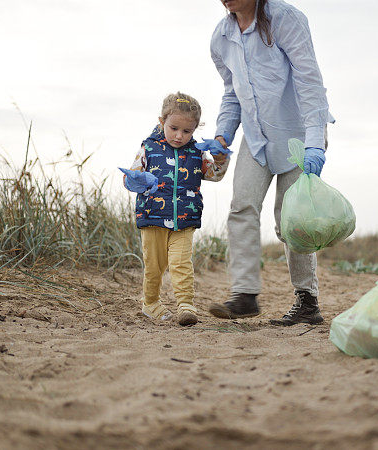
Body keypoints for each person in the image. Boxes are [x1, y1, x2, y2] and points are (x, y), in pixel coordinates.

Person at [206, 0, 334, 325]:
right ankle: (245, 295)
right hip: (256, 134)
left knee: (292, 220)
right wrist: (223, 135)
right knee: (241, 207)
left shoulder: (285, 19)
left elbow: (309, 81)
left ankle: (307, 301)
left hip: (298, 132)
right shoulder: (221, 37)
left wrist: (315, 143)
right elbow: (232, 93)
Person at [121, 92, 230, 326]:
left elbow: (215, 175)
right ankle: (150, 303)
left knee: (182, 263)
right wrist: (136, 180)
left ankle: (185, 305)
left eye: (187, 131)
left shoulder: (197, 151)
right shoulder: (148, 148)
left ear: (195, 129)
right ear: (162, 122)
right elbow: (131, 177)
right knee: (154, 265)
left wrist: (221, 159)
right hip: (152, 217)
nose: (179, 136)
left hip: (185, 218)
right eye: (174, 128)